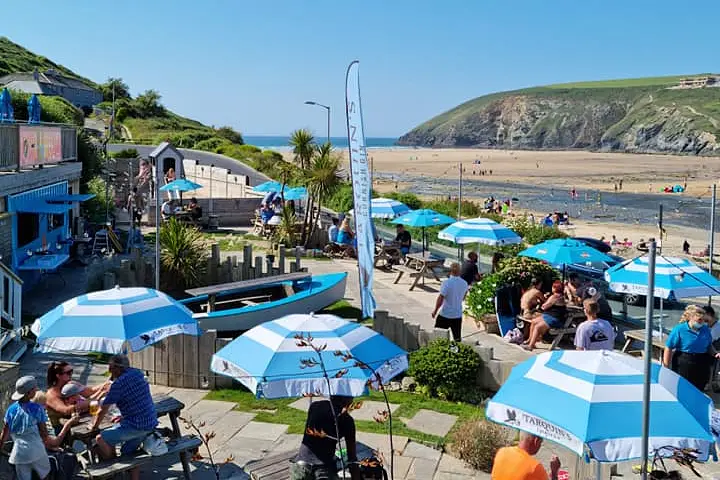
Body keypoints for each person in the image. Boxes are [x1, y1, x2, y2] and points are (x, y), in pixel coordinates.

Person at [93, 355, 158, 480]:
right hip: (150, 421)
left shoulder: (118, 384)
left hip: (138, 426)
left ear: (117, 368)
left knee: (100, 438)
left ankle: (115, 470)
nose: (109, 371)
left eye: (110, 368)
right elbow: (136, 398)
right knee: (129, 452)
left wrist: (94, 425)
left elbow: (103, 409)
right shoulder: (138, 373)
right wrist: (124, 416)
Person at [1, 376, 78, 480]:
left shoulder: (11, 410)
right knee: (46, 475)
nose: (36, 390)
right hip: (36, 451)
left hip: (19, 453)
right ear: (29, 393)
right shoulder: (37, 409)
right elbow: (44, 435)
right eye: (34, 389)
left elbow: (4, 434)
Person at [291, 396, 361, 480]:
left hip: (300, 465)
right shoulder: (347, 421)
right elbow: (352, 458)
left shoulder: (315, 406)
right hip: (323, 469)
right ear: (348, 400)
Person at [663, 305, 720, 391]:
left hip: (702, 362)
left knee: (699, 388)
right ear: (691, 317)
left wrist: (715, 353)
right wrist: (666, 366)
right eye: (699, 320)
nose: (701, 323)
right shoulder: (679, 329)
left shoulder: (705, 329)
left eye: (703, 320)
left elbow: (708, 345)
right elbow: (669, 347)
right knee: (684, 389)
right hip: (684, 362)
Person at [45, 361, 108, 435]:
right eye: (68, 372)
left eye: (71, 371)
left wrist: (108, 384)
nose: (71, 374)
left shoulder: (71, 384)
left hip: (78, 420)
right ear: (58, 375)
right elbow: (66, 410)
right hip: (61, 428)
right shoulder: (51, 394)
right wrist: (92, 401)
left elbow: (90, 391)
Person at [491, 431, 560, 480]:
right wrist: (554, 472)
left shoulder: (502, 452)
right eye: (540, 442)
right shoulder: (535, 468)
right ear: (536, 441)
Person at [525, 281, 566, 351]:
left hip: (554, 318)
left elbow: (544, 307)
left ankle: (530, 346)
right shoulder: (560, 296)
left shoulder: (555, 296)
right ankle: (530, 340)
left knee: (538, 327)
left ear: (554, 288)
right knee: (534, 321)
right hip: (549, 315)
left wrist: (545, 300)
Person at [432, 263, 469, 341]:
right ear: (460, 271)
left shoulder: (446, 283)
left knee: (438, 338)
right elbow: (463, 298)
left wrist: (435, 311)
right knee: (457, 338)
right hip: (457, 315)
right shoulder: (465, 283)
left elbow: (441, 298)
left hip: (445, 314)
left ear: (450, 271)